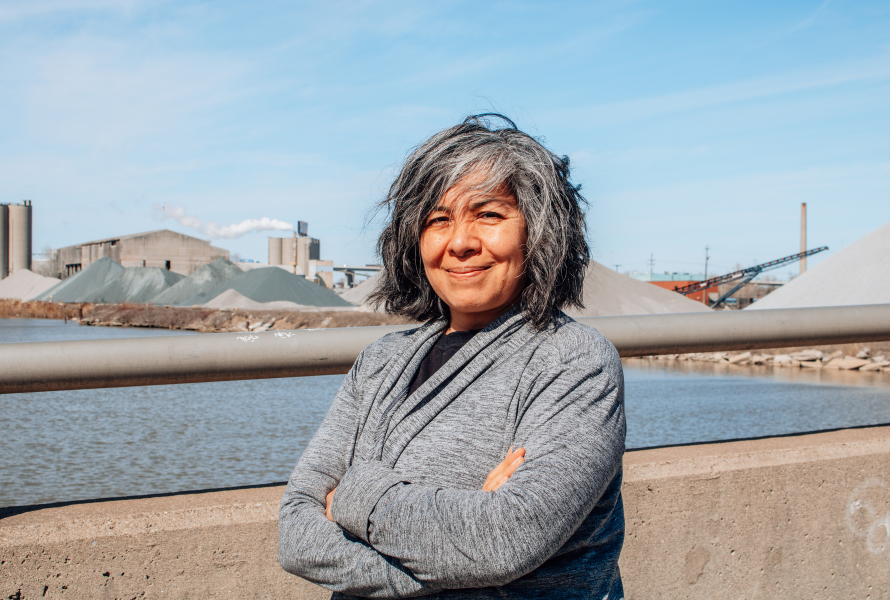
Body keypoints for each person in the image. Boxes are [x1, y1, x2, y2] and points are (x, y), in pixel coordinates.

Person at [279, 114, 626, 599]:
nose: (460, 242)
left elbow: (504, 541)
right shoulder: (380, 362)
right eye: (438, 220)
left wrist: (352, 497)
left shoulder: (573, 362)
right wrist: (460, 538)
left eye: (488, 214)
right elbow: (296, 533)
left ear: (540, 231)